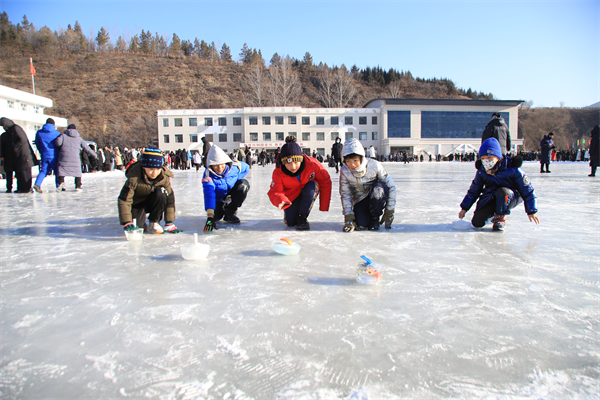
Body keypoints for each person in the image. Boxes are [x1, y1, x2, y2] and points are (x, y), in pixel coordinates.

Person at [458, 138, 539, 231]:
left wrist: (531, 210)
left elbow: (527, 190)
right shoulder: (481, 171)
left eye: (489, 158)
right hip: (491, 196)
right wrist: (464, 208)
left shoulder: (513, 169)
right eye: (483, 158)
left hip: (510, 196)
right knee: (477, 223)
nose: (486, 161)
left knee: (503, 191)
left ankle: (501, 217)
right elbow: (474, 191)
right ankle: (493, 213)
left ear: (498, 157)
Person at [268, 136, 331, 231]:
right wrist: (281, 200)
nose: (293, 167)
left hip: (308, 190)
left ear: (301, 159)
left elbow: (325, 181)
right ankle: (291, 214)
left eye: (296, 162)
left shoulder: (312, 164)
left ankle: (302, 217)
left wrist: (324, 205)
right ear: (283, 162)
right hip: (291, 196)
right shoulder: (278, 172)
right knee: (291, 223)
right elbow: (275, 191)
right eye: (288, 163)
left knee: (312, 187)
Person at [118, 147, 181, 234]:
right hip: (137, 204)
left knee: (162, 194)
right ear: (144, 167)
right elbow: (124, 200)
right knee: (139, 228)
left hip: (153, 201)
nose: (154, 173)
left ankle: (154, 222)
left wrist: (169, 223)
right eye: (151, 169)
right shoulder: (134, 177)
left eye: (157, 169)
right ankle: (141, 223)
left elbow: (169, 198)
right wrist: (127, 221)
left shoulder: (163, 177)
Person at [340, 138, 396, 232]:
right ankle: (367, 214)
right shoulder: (345, 171)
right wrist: (349, 216)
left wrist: (389, 211)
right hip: (360, 198)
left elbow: (391, 186)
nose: (352, 164)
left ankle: (375, 217)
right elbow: (345, 194)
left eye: (355, 160)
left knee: (378, 190)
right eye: (348, 161)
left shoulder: (374, 165)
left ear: (361, 157)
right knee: (361, 224)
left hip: (376, 193)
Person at [202, 145, 250, 232]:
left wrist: (236, 178)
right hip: (217, 198)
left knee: (243, 184)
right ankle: (221, 207)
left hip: (230, 192)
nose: (219, 168)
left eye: (221, 164)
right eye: (216, 166)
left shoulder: (234, 167)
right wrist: (210, 217)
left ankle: (230, 212)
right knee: (217, 217)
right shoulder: (208, 176)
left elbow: (246, 167)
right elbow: (209, 195)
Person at [53, 124, 98, 192]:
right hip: (75, 159)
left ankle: (61, 182)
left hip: (64, 157)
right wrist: (94, 155)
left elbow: (58, 143)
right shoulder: (79, 138)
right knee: (77, 172)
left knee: (62, 170)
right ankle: (78, 185)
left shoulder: (63, 136)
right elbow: (87, 148)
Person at [0, 117, 38, 193]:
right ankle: (22, 188)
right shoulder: (9, 133)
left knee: (24, 173)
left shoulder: (15, 129)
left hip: (22, 155)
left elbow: (22, 139)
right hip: (17, 156)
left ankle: (26, 188)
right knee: (20, 173)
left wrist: (14, 147)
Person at [33, 118, 61, 193]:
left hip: (44, 154)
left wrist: (42, 151)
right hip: (54, 155)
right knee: (57, 171)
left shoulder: (39, 133)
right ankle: (58, 186)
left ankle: (37, 184)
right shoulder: (56, 133)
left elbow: (37, 144)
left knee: (43, 171)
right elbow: (59, 144)